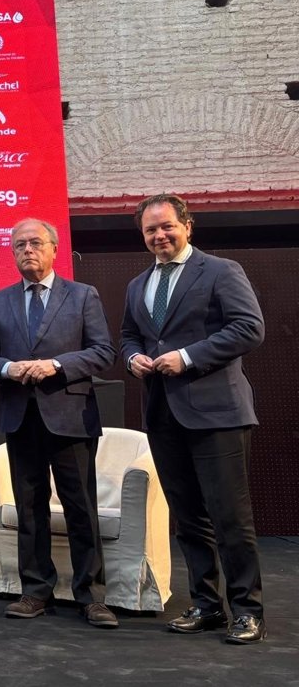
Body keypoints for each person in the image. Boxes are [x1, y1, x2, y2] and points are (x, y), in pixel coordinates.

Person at [119, 194, 267, 644]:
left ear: (188, 225)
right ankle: (207, 604)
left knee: (229, 518)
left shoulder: (221, 271)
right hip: (163, 415)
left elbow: (249, 327)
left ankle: (247, 611)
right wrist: (133, 358)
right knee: (187, 518)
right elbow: (129, 335)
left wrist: (186, 357)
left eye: (167, 226)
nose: (159, 235)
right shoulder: (137, 285)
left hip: (217, 413)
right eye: (150, 230)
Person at [0, 219, 118, 627]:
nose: (27, 250)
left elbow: (103, 351)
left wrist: (55, 365)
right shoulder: (0, 300)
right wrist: (7, 368)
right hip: (21, 416)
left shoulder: (83, 295)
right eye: (19, 245)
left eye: (35, 243)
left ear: (55, 249)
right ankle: (36, 591)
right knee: (29, 507)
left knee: (80, 507)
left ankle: (91, 596)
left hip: (70, 417)